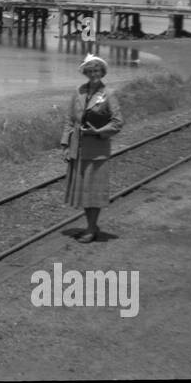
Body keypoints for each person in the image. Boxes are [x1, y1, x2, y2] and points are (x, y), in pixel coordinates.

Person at [61, 53, 123, 243]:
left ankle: (91, 228)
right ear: (86, 73)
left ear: (102, 72)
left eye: (96, 70)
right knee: (84, 191)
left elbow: (117, 122)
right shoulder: (78, 91)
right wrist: (65, 144)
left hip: (96, 150)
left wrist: (98, 132)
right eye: (90, 71)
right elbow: (69, 119)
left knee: (93, 191)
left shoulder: (109, 94)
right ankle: (91, 225)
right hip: (78, 148)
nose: (93, 74)